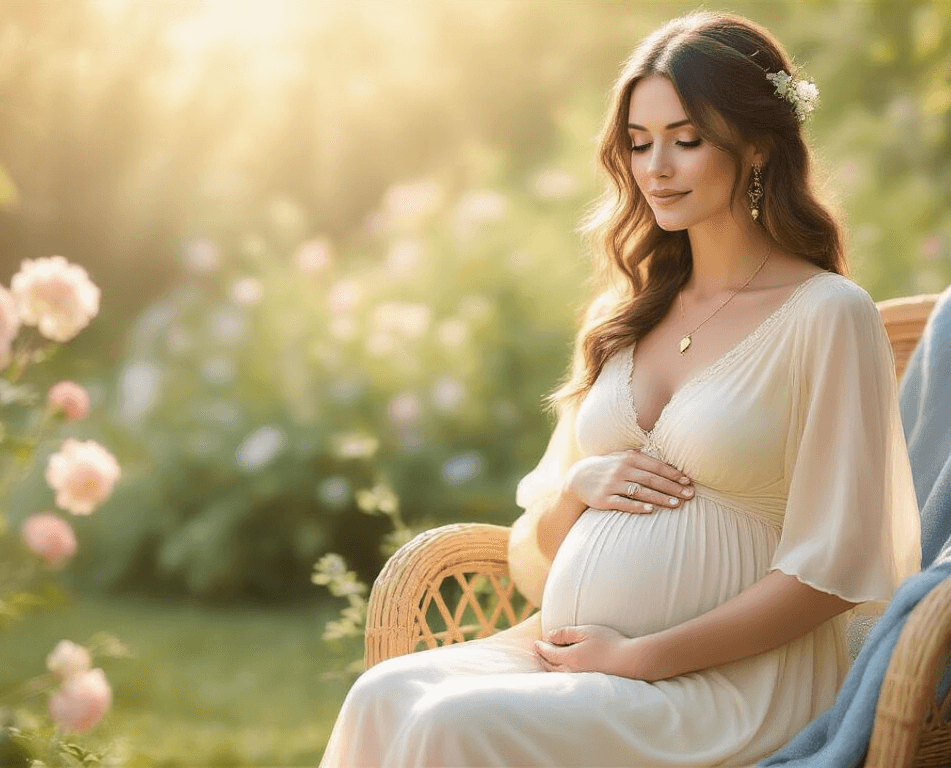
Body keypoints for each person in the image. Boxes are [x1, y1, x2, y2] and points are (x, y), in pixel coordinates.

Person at [319, 10, 920, 767]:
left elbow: (834, 575)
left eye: (686, 140)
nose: (655, 167)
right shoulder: (626, 314)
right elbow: (538, 551)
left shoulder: (828, 314)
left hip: (734, 685)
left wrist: (640, 657)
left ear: (758, 147)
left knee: (454, 724)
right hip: (576, 657)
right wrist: (577, 489)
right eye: (639, 143)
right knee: (379, 696)